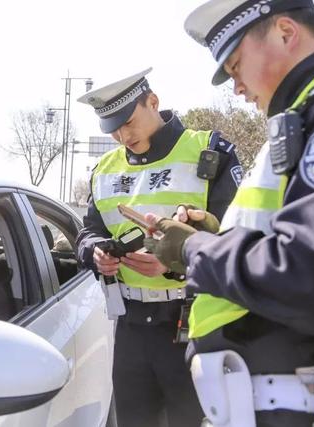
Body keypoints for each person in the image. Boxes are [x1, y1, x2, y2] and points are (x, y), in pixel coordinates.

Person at [145, 1, 314, 425]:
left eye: (237, 66)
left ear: (285, 32)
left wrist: (197, 250)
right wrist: (218, 236)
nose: (236, 87)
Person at [76, 68, 242, 427]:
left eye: (129, 123)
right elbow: (87, 232)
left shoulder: (209, 150)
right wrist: (96, 255)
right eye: (113, 130)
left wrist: (173, 265)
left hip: (191, 322)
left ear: (153, 102)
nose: (123, 136)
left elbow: (238, 239)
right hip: (130, 325)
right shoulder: (104, 168)